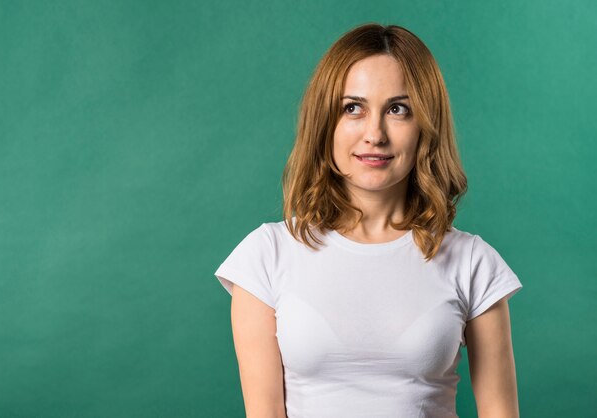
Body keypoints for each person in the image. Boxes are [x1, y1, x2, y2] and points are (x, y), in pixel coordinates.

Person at [214, 22, 523, 418]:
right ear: (325, 123)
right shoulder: (266, 256)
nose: (374, 134)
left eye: (398, 109)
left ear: (425, 127)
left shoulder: (473, 262)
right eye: (352, 108)